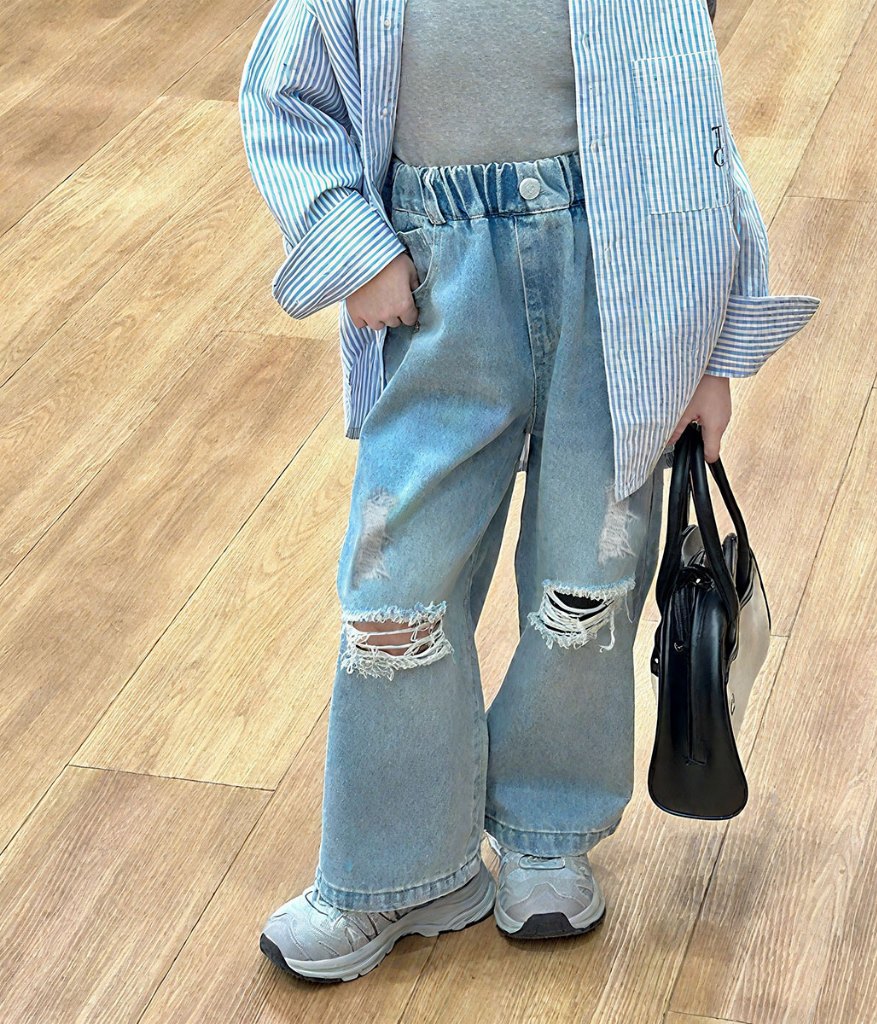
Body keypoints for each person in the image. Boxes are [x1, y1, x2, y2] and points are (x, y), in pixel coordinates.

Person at [238, 0, 820, 985]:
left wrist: (711, 349)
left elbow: (695, 139)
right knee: (393, 593)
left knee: (586, 583)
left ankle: (549, 832)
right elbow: (283, 97)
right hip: (436, 279)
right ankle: (397, 870)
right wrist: (351, 242)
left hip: (621, 284)